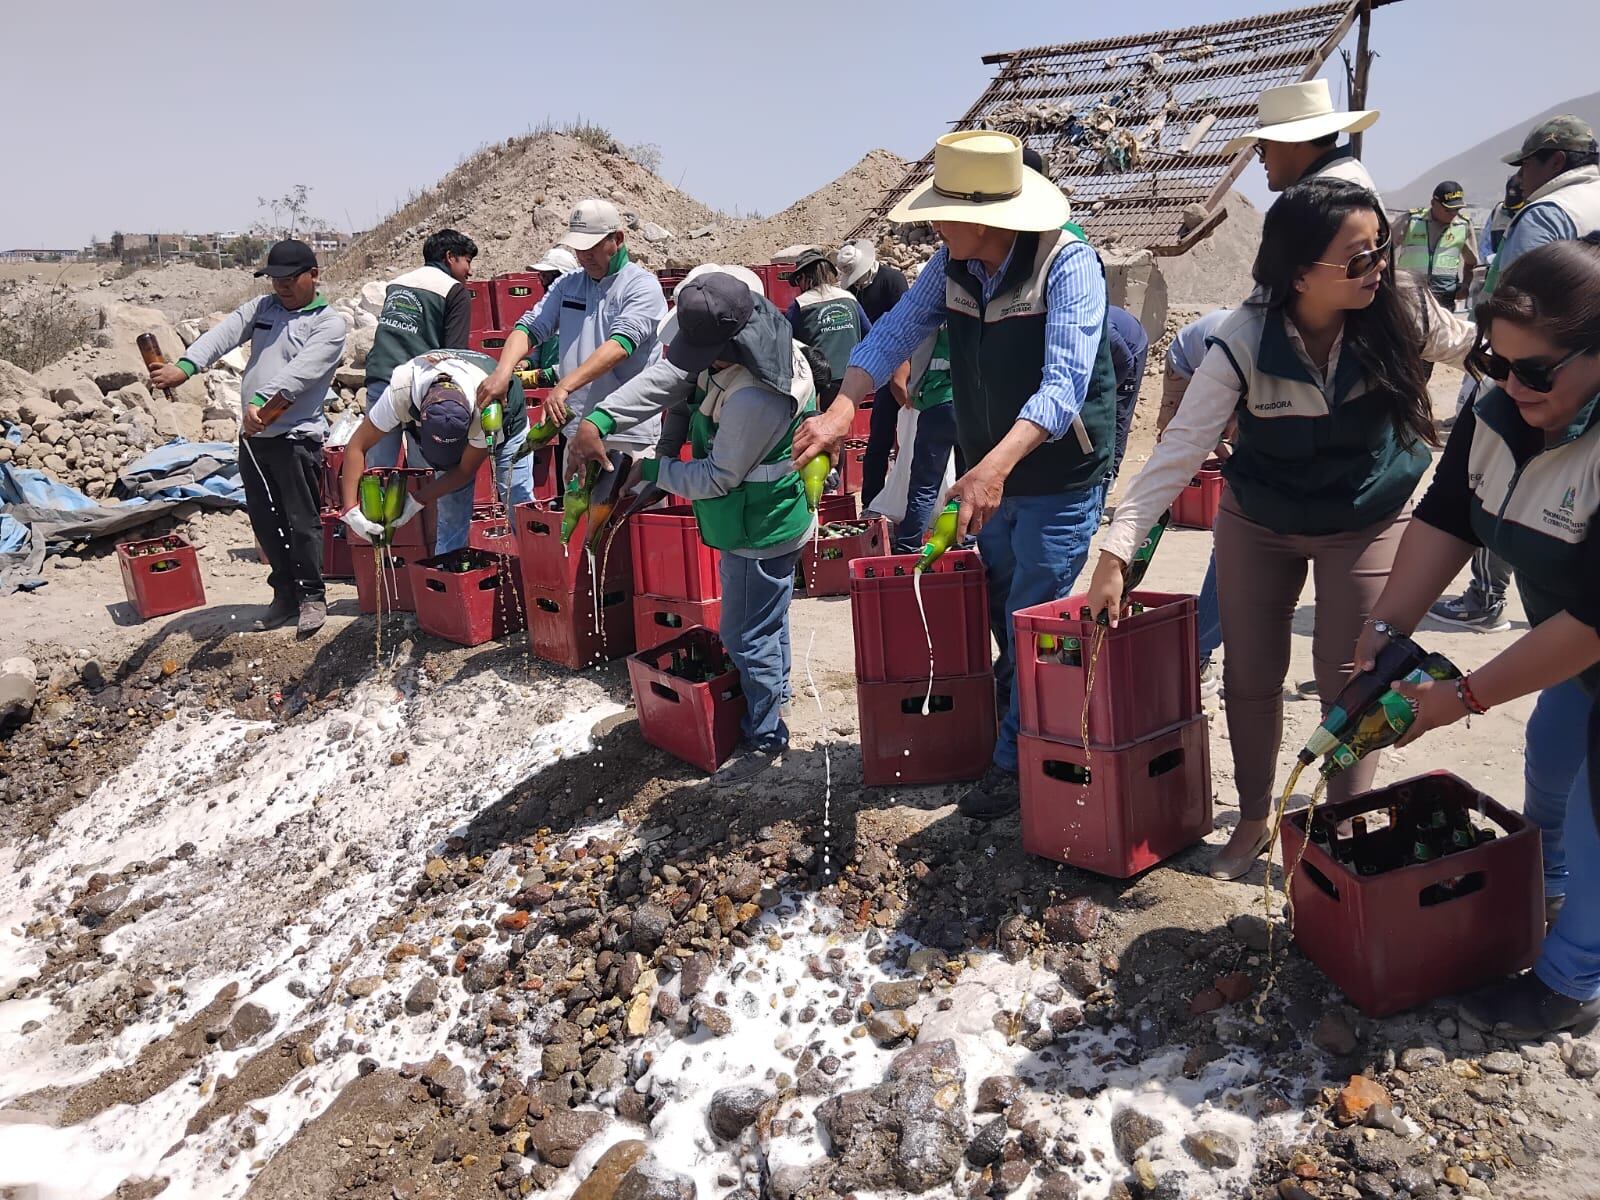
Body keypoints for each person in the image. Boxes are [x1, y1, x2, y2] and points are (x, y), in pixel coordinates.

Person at [1083, 179, 1473, 879]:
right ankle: (1256, 818)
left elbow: (1481, 351)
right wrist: (1115, 553)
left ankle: (1343, 827)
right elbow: (1177, 449)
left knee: (1354, 676)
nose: (1377, 266)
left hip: (1365, 516)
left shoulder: (1405, 311)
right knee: (1252, 673)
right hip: (1260, 517)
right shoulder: (1241, 340)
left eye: (1378, 248)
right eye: (1356, 259)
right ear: (1299, 273)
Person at [794, 130, 1120, 820]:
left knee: (1035, 612)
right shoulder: (952, 264)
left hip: (1057, 474)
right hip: (987, 474)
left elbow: (1063, 388)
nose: (934, 223)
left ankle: (1011, 764)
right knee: (1006, 607)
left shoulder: (1068, 266)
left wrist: (994, 466)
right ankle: (1029, 724)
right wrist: (843, 407)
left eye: (944, 210)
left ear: (987, 217)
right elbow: (891, 334)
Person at [1354, 238, 1600, 1038]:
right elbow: (1450, 515)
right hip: (1575, 633)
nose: (1511, 383)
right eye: (1497, 362)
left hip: (1588, 625)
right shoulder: (1498, 411)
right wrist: (1386, 624)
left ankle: (1572, 980)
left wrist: (1460, 698)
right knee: (1552, 757)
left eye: (1537, 371)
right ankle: (1551, 885)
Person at [565, 267, 817, 784]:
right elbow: (670, 381)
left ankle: (765, 735)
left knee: (745, 633)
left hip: (758, 525)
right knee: (766, 620)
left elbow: (720, 476)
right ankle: (776, 699)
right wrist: (601, 421)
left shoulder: (757, 395)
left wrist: (654, 470)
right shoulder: (750, 329)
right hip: (754, 519)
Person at [1431, 116, 1600, 632]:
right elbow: (1440, 515)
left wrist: (1505, 367)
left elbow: (1519, 316)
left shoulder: (1547, 212)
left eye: (1526, 164)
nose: (1522, 176)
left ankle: (1486, 594)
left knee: (1508, 493)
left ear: (1554, 160)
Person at [150, 240, 346, 636]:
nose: (281, 287)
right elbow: (221, 336)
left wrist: (259, 401)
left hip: (295, 437)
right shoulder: (262, 309)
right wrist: (185, 367)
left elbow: (301, 374)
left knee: (301, 521)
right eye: (275, 279)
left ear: (314, 275)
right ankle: (284, 594)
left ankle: (311, 595)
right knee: (263, 518)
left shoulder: (329, 324)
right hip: (254, 437)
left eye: (290, 279)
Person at [476, 199, 667, 464]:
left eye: (593, 247)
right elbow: (529, 328)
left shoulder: (641, 287)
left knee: (624, 503)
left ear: (618, 239)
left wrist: (565, 385)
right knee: (576, 505)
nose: (585, 256)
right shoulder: (568, 285)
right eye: (579, 249)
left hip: (627, 431)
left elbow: (619, 346)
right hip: (576, 429)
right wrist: (502, 372)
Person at [338, 350, 534, 553]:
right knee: (451, 512)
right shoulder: (402, 389)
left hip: (508, 418)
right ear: (421, 419)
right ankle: (450, 570)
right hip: (449, 388)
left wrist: (417, 500)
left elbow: (465, 470)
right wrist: (351, 509)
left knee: (517, 498)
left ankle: (538, 569)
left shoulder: (486, 413)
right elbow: (357, 446)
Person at [1156, 307, 1234, 697]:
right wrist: (1223, 451)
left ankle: (1202, 651)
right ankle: (1199, 654)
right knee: (1175, 438)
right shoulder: (1225, 350)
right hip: (1184, 363)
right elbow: (1186, 429)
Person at [363, 229, 478, 469]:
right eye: (467, 260)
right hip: (419, 388)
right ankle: (417, 507)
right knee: (424, 472)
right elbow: (455, 354)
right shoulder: (454, 290)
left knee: (378, 470)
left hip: (380, 378)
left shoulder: (397, 284)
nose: (470, 270)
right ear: (450, 257)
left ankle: (372, 508)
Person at [837, 239, 911, 509]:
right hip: (877, 367)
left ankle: (910, 498)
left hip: (903, 366)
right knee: (879, 435)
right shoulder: (856, 292)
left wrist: (902, 375)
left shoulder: (893, 280)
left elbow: (907, 326)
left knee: (913, 436)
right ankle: (872, 501)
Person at [1223, 79, 1382, 200]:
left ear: (1291, 141)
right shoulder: (1351, 177)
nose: (1262, 160)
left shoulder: (1312, 201)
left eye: (1263, 148)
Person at [887, 323, 958, 554]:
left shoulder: (933, 316)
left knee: (925, 483)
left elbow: (915, 356)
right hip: (971, 406)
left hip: (937, 403)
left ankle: (908, 545)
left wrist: (915, 393)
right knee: (968, 480)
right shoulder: (977, 311)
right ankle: (963, 542)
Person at [784, 248, 872, 408]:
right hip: (855, 378)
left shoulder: (800, 305)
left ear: (803, 277)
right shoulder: (850, 298)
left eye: (798, 280)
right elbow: (869, 335)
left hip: (821, 383)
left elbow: (787, 343)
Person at [1397, 181, 1477, 309]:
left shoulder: (1463, 226)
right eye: (1448, 209)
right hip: (1409, 293)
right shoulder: (1411, 221)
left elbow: (1471, 262)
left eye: (1457, 209)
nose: (1453, 214)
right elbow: (1383, 251)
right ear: (1433, 203)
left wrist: (1466, 285)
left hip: (1444, 297)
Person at [517, 246, 581, 387]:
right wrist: (528, 363)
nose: (542, 281)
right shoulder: (547, 311)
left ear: (562, 277)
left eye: (546, 276)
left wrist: (547, 375)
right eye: (541, 275)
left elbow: (581, 362)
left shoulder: (581, 315)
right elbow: (540, 349)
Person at [1102, 305, 1149, 493]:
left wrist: (1115, 386)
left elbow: (1126, 362)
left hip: (1131, 350)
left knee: (1119, 411)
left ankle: (1110, 474)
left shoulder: (1104, 330)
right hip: (1110, 353)